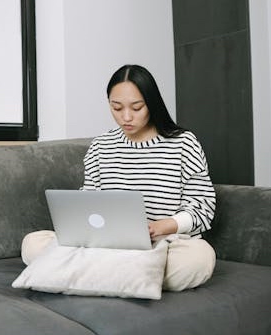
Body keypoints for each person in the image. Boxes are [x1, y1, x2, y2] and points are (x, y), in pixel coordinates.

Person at [21, 64, 217, 291]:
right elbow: (89, 203)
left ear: (152, 103)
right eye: (116, 108)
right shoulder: (101, 146)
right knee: (32, 244)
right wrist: (86, 230)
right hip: (107, 246)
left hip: (163, 245)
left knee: (198, 259)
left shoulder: (184, 143)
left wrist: (161, 227)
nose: (126, 117)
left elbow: (202, 208)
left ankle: (88, 278)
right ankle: (132, 280)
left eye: (137, 107)